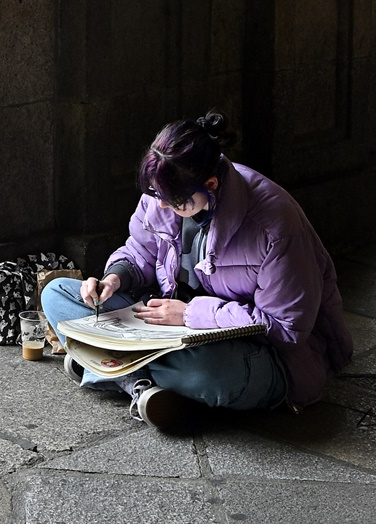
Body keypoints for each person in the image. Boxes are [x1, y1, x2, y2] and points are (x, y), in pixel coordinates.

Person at [41, 110, 353, 429]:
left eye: (173, 202)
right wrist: (114, 277)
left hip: (264, 356)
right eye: (155, 196)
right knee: (56, 295)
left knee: (210, 372)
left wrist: (191, 315)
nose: (161, 206)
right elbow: (141, 250)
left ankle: (106, 367)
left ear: (211, 184)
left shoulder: (275, 226)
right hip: (169, 332)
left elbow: (286, 328)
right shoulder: (163, 190)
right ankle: (141, 385)